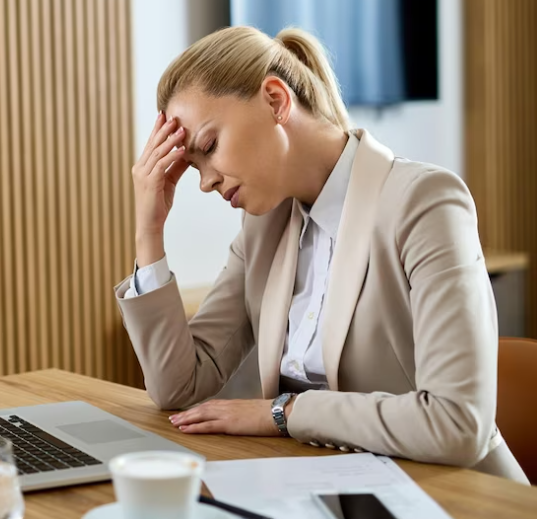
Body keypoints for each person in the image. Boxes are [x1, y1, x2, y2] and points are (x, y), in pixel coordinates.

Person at [114, 25, 527, 483]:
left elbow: (456, 423)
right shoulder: (262, 227)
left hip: (451, 498)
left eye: (209, 147)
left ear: (275, 100)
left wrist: (285, 412)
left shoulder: (424, 202)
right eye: (193, 166)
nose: (206, 181)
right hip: (318, 493)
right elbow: (179, 386)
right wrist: (149, 232)